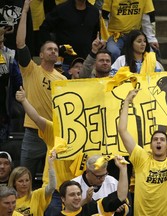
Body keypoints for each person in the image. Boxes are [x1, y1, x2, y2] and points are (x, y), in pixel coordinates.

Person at [16, 0, 67, 186]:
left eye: (56, 49)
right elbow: (20, 43)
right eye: (49, 49)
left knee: (52, 181)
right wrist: (25, 13)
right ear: (41, 53)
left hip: (54, 134)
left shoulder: (63, 80)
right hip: (33, 131)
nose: (53, 51)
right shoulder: (30, 69)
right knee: (23, 178)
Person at [15, 86, 75, 215]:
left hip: (75, 191)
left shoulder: (86, 136)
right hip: (53, 191)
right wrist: (24, 100)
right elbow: (36, 118)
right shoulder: (54, 130)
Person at [39, 0, 100, 75]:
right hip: (64, 62)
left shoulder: (94, 12)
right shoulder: (61, 9)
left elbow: (96, 34)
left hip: (86, 62)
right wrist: (53, 47)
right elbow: (44, 29)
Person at [58, 156, 129, 216]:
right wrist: (85, 201)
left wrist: (123, 169)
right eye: (98, 176)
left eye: (79, 194)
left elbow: (121, 196)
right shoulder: (73, 185)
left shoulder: (93, 207)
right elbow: (71, 209)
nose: (102, 179)